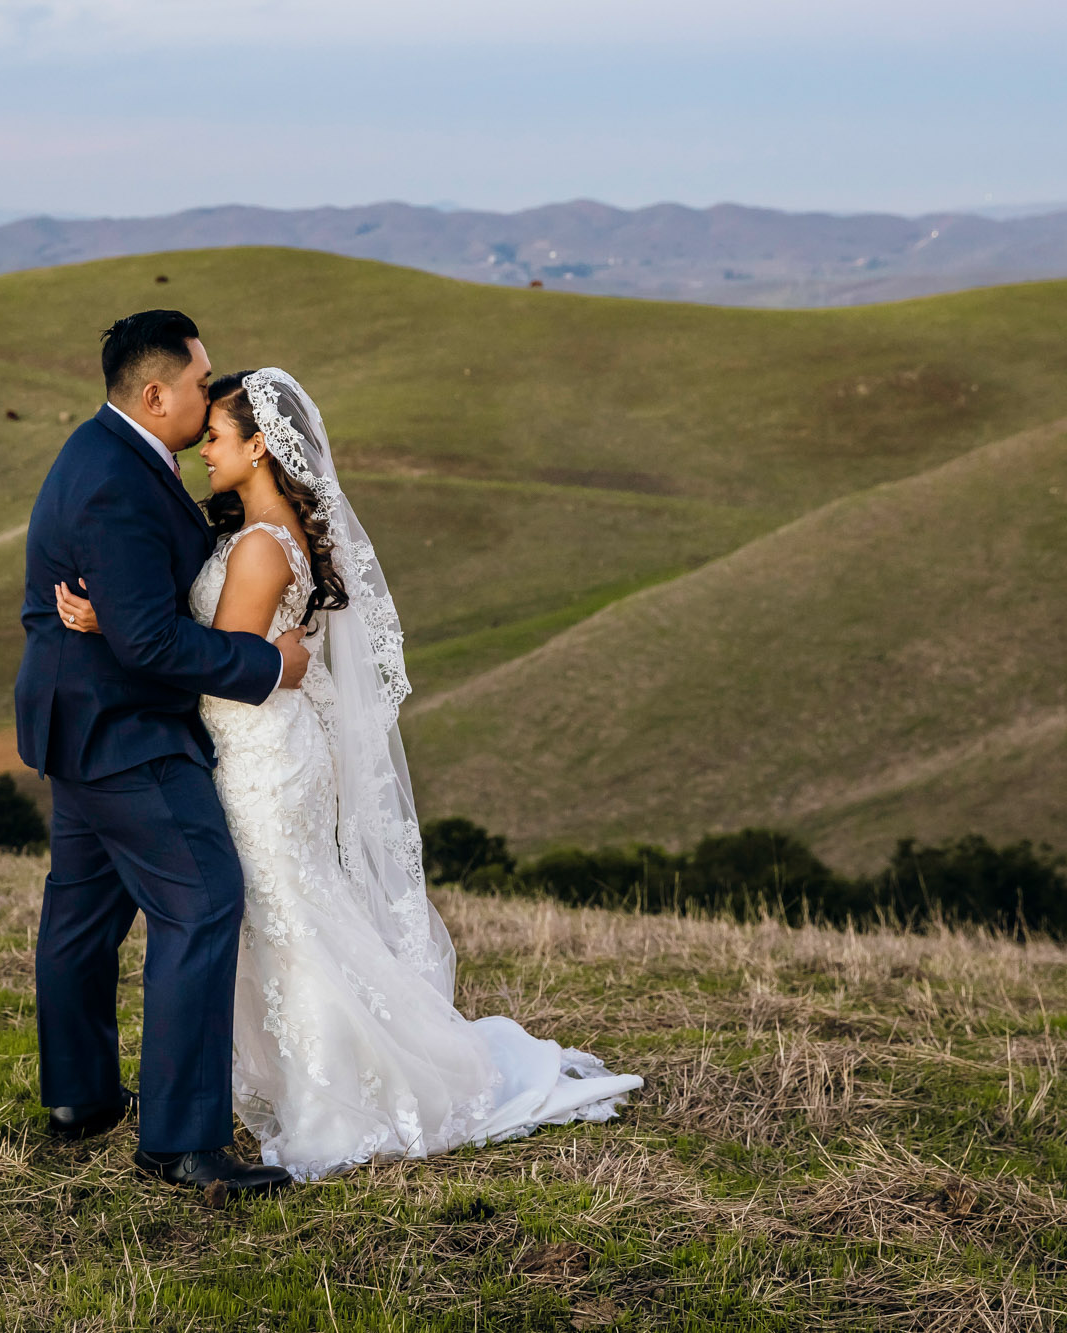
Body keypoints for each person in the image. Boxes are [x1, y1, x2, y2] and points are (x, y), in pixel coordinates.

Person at [53, 366, 643, 1181]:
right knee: (283, 919)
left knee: (289, 924)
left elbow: (211, 665)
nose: (203, 453)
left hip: (256, 754)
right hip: (260, 746)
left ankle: (340, 1099)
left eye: (218, 439)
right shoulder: (255, 531)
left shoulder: (261, 549)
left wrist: (108, 625)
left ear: (259, 445)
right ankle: (298, 1086)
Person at [15, 311, 309, 1199]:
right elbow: (147, 643)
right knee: (205, 901)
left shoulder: (111, 455)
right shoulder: (115, 479)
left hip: (83, 722)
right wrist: (267, 663)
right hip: (126, 728)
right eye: (198, 381)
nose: (208, 392)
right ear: (156, 393)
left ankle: (82, 1099)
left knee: (83, 916)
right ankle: (182, 1145)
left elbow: (134, 612)